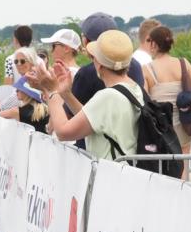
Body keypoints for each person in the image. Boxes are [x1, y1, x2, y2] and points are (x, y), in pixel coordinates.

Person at [35, 29, 142, 162]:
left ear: (99, 64)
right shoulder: (134, 88)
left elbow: (62, 132)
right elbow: (91, 118)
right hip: (127, 170)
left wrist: (52, 91)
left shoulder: (107, 97)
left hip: (109, 171)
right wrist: (66, 94)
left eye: (94, 57)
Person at [144, 25, 191, 172]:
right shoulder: (184, 63)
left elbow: (144, 100)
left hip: (161, 125)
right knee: (183, 163)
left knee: (163, 166)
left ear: (154, 44)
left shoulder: (147, 69)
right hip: (184, 122)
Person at [72, 13, 145, 106]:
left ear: (86, 41)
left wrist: (59, 93)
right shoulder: (135, 65)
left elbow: (71, 113)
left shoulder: (86, 74)